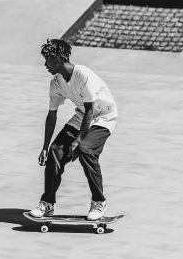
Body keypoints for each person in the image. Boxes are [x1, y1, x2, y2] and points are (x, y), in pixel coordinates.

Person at [29, 38, 118, 221]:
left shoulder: (83, 74)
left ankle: (99, 201)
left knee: (85, 149)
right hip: (82, 116)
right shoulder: (56, 83)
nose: (45, 64)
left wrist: (77, 141)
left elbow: (91, 111)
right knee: (55, 151)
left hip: (103, 117)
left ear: (59, 59)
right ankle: (47, 203)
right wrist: (45, 147)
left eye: (48, 60)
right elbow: (51, 116)